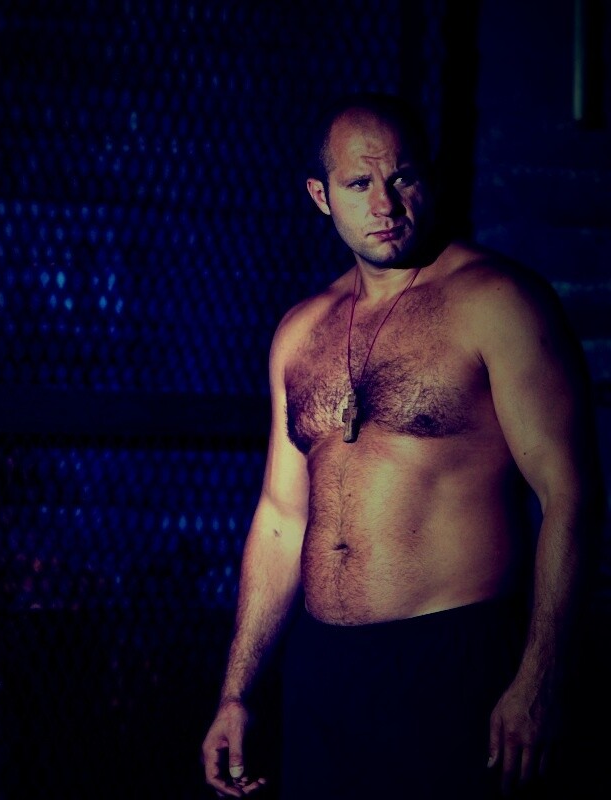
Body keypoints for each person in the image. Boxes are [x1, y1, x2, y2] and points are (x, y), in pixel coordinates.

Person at [200, 92, 603, 799]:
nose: (385, 204)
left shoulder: (496, 301)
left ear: (429, 178)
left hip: (457, 661)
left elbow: (570, 494)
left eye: (402, 177)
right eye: (359, 184)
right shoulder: (301, 332)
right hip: (325, 675)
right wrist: (237, 692)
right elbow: (280, 517)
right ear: (321, 197)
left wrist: (541, 677)